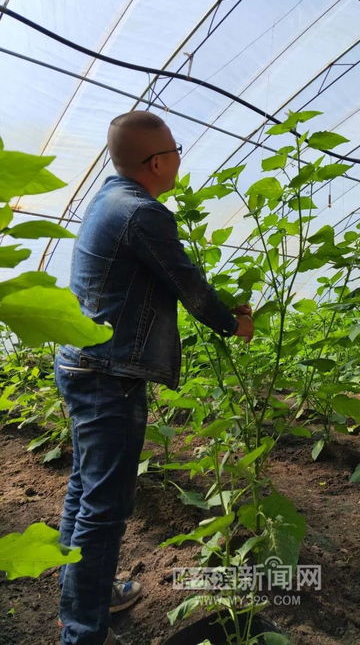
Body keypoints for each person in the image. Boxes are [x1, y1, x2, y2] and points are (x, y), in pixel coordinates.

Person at [55, 110, 253, 645]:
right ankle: (82, 631)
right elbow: (185, 282)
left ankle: (83, 598)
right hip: (107, 373)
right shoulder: (143, 213)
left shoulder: (108, 198)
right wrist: (232, 323)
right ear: (159, 161)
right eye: (176, 149)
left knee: (84, 488)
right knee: (105, 504)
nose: (179, 158)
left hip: (84, 362)